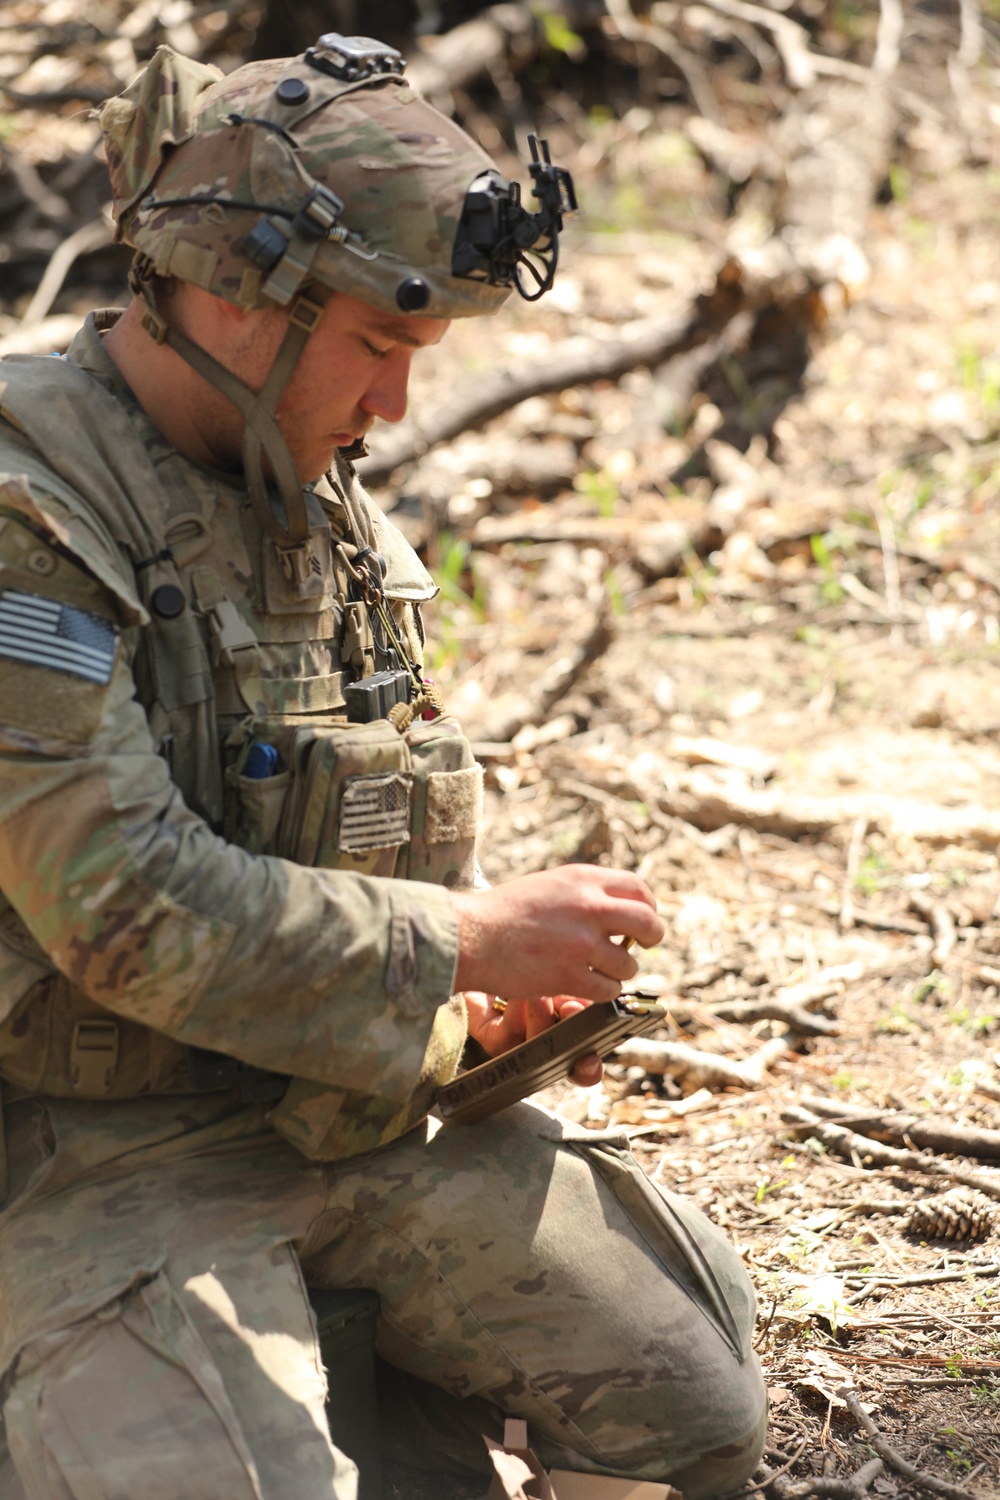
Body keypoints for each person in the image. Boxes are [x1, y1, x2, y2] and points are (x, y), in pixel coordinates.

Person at [0, 34, 767, 1500]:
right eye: (381, 347)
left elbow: (354, 796)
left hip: (335, 1102)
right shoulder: (32, 515)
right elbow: (121, 907)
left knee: (695, 1412)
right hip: (85, 1152)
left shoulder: (309, 496)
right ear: (238, 297)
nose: (400, 411)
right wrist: (460, 941)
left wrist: (480, 992)